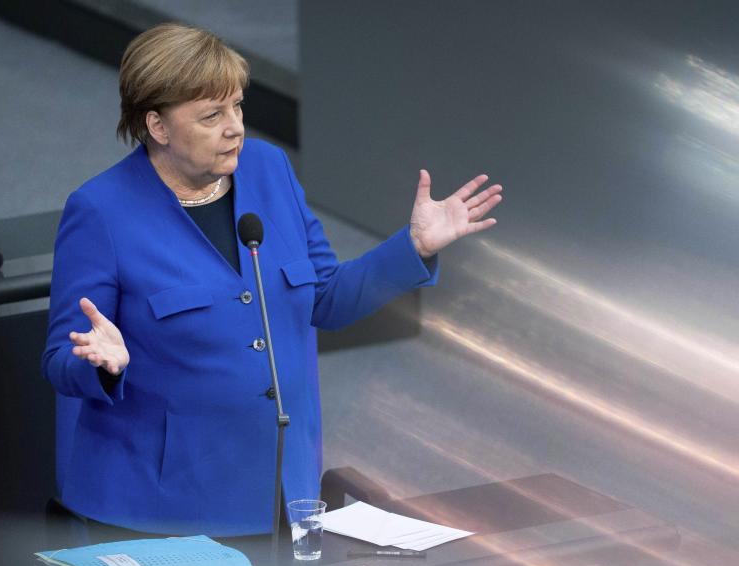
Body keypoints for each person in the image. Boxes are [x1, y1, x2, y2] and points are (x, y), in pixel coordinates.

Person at [41, 23, 502, 538]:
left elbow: (325, 300)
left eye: (237, 106)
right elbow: (62, 361)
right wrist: (102, 363)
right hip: (165, 509)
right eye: (212, 115)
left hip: (283, 488)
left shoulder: (269, 169)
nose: (235, 127)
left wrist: (411, 248)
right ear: (158, 126)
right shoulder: (101, 212)